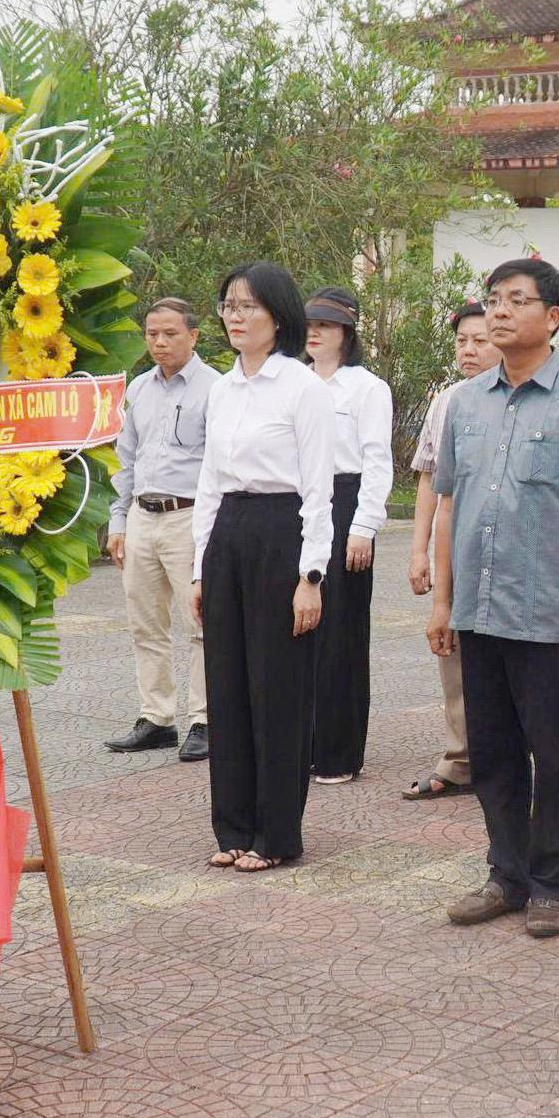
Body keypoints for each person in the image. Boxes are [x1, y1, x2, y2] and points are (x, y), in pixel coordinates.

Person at [427, 257, 559, 939]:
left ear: (551, 318)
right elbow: (450, 506)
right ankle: (506, 875)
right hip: (479, 612)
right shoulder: (465, 403)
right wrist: (442, 604)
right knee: (493, 753)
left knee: (557, 753)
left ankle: (553, 883)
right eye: (493, 300)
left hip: (548, 616)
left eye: (517, 300)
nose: (500, 311)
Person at [190, 262, 335, 874]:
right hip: (229, 534)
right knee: (226, 685)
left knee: (276, 688)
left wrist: (311, 576)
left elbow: (318, 489)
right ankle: (233, 828)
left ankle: (276, 835)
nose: (236, 316)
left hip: (283, 535)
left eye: (248, 306)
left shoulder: (303, 389)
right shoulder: (221, 389)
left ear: (279, 316)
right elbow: (207, 485)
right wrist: (201, 569)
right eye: (228, 305)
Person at [104, 298, 219, 761]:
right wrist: (119, 520)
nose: (159, 342)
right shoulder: (137, 389)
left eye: (170, 333)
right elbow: (124, 461)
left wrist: (213, 531)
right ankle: (156, 718)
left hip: (189, 516)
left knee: (202, 622)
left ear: (193, 335)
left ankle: (206, 720)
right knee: (144, 623)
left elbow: (220, 467)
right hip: (141, 516)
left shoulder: (217, 389)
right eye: (152, 333)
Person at [401, 302, 495, 801]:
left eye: (480, 340)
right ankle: (460, 758)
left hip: (506, 551)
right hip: (454, 549)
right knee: (452, 652)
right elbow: (429, 482)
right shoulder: (447, 401)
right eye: (462, 341)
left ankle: (508, 759)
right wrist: (419, 550)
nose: (470, 349)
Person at [302, 286, 394, 786]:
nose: (315, 332)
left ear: (347, 333)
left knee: (340, 634)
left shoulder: (365, 388)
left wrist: (363, 527)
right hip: (299, 503)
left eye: (327, 325)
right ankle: (301, 742)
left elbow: (378, 461)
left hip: (346, 501)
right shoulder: (294, 381)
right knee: (299, 629)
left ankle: (338, 752)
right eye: (310, 324)